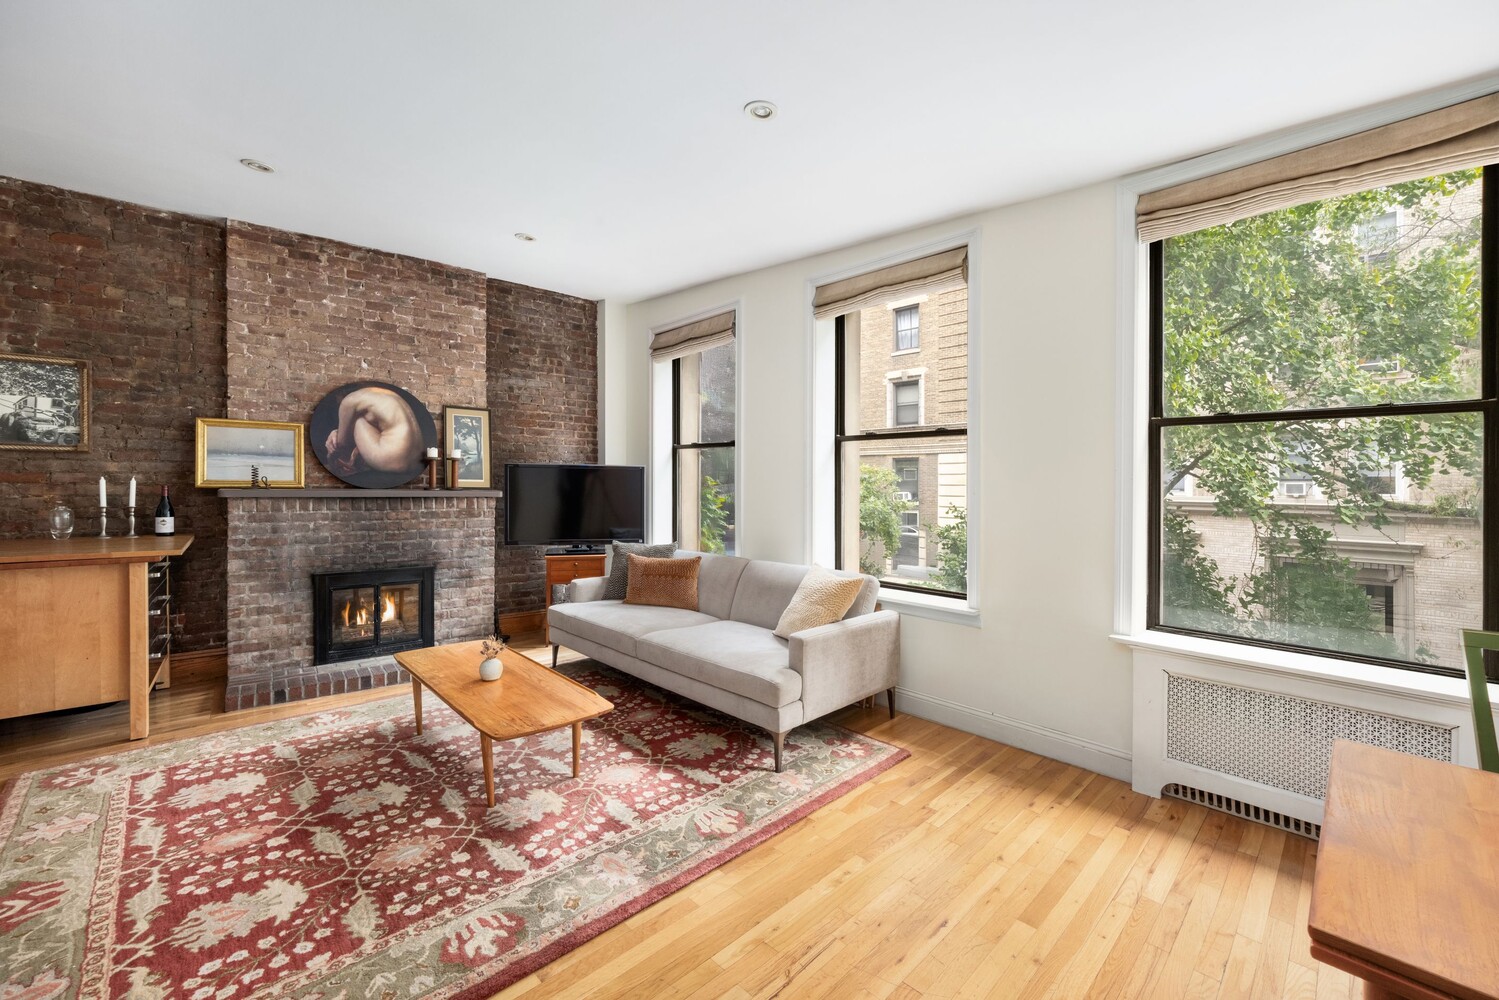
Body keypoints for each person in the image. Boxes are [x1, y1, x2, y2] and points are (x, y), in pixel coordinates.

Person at [323, 386, 424, 477]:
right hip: (416, 461)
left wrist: (335, 434)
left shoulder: (349, 401)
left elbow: (343, 444)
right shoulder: (386, 395)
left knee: (358, 420)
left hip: (391, 459)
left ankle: (348, 465)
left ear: (339, 396)